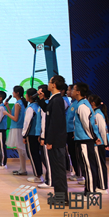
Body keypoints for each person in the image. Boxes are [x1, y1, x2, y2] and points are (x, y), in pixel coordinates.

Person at [71, 82, 100, 195]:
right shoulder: (80, 104)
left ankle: (90, 192)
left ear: (78, 92)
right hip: (82, 140)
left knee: (88, 167)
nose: (72, 91)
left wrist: (94, 137)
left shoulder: (82, 106)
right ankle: (89, 190)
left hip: (85, 141)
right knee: (85, 167)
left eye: (73, 89)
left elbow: (87, 124)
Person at [44, 75, 69, 203]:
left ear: (53, 85)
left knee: (58, 170)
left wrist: (50, 141)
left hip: (56, 142)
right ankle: (59, 196)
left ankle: (62, 198)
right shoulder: (54, 99)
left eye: (49, 82)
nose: (48, 84)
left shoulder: (57, 100)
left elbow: (55, 123)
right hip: (55, 141)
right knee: (56, 169)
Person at [88, 94, 109, 193]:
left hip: (99, 144)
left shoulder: (98, 115)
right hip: (96, 144)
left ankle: (103, 187)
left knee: (100, 165)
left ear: (92, 103)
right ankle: (99, 184)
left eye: (89, 101)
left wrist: (105, 144)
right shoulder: (94, 113)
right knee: (97, 165)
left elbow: (103, 131)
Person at [5, 86, 27, 176]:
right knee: (20, 150)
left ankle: (23, 169)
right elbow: (14, 115)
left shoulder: (18, 104)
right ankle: (22, 169)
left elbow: (15, 118)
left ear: (17, 93)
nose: (12, 93)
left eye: (13, 91)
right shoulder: (20, 103)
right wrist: (7, 107)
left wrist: (6, 113)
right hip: (18, 127)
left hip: (17, 128)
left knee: (21, 150)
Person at [22, 88, 43, 183]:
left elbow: (27, 123)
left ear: (30, 96)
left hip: (31, 135)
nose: (25, 96)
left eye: (26, 94)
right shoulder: (38, 105)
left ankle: (38, 176)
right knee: (37, 155)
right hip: (37, 134)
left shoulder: (31, 108)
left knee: (33, 155)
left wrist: (24, 135)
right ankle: (39, 174)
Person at [36, 84, 53, 189]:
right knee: (45, 158)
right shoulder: (45, 104)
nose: (38, 94)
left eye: (40, 92)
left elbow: (44, 122)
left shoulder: (46, 105)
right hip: (44, 134)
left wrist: (43, 137)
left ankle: (50, 181)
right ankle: (49, 179)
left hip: (46, 136)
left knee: (47, 159)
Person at [65, 84, 81, 182]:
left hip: (73, 133)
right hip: (69, 131)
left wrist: (75, 131)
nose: (68, 92)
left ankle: (80, 174)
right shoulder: (72, 103)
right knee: (72, 153)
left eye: (69, 90)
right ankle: (77, 173)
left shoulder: (78, 104)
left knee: (75, 154)